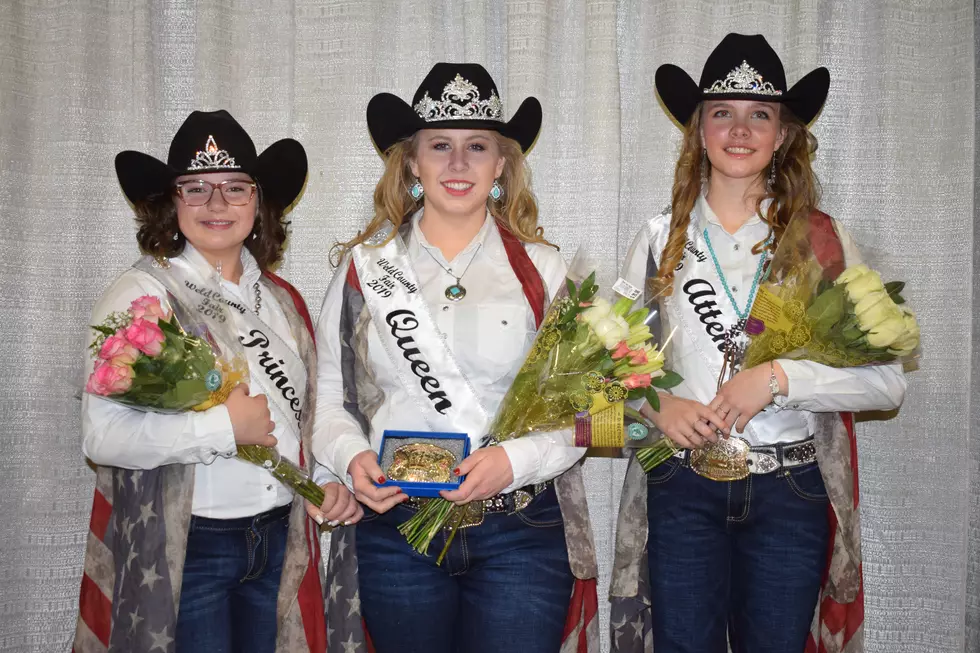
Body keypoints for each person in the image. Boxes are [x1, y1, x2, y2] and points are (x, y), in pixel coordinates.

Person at [609, 34, 907, 653]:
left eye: (759, 115)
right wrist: (654, 405)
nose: (739, 129)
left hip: (788, 493)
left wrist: (777, 379)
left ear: (783, 135)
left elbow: (887, 381)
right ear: (698, 130)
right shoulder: (659, 238)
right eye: (722, 112)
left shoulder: (820, 240)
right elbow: (600, 369)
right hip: (682, 490)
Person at [313, 64, 598, 653]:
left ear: (502, 166)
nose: (458, 163)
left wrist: (512, 461)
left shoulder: (545, 271)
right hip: (397, 528)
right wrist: (352, 458)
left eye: (478, 147)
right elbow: (329, 399)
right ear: (412, 163)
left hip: (518, 527)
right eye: (440, 146)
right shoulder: (365, 270)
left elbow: (594, 412)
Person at [73, 110, 356, 653]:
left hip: (278, 537)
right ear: (170, 202)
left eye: (234, 188)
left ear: (259, 201)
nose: (217, 204)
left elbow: (304, 416)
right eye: (195, 188)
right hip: (191, 548)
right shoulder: (142, 296)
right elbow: (101, 438)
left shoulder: (282, 300)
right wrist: (222, 429)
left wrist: (327, 477)